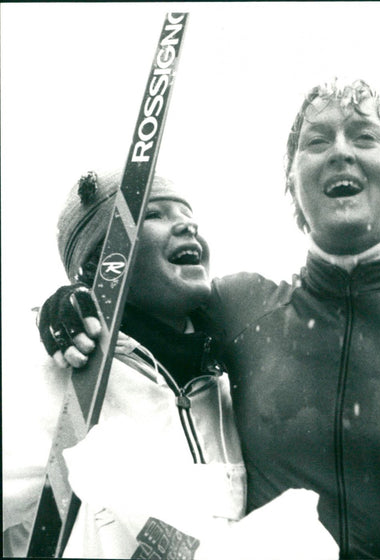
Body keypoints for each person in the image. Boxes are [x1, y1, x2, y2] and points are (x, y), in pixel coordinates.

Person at [33, 79, 380, 559]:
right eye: (315, 142)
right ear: (294, 184)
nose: (339, 152)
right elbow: (141, 308)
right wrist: (71, 303)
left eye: (364, 136)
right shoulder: (238, 306)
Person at [2, 170, 338, 559]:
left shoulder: (227, 390)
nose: (188, 224)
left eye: (187, 213)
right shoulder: (64, 374)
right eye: (155, 214)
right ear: (105, 259)